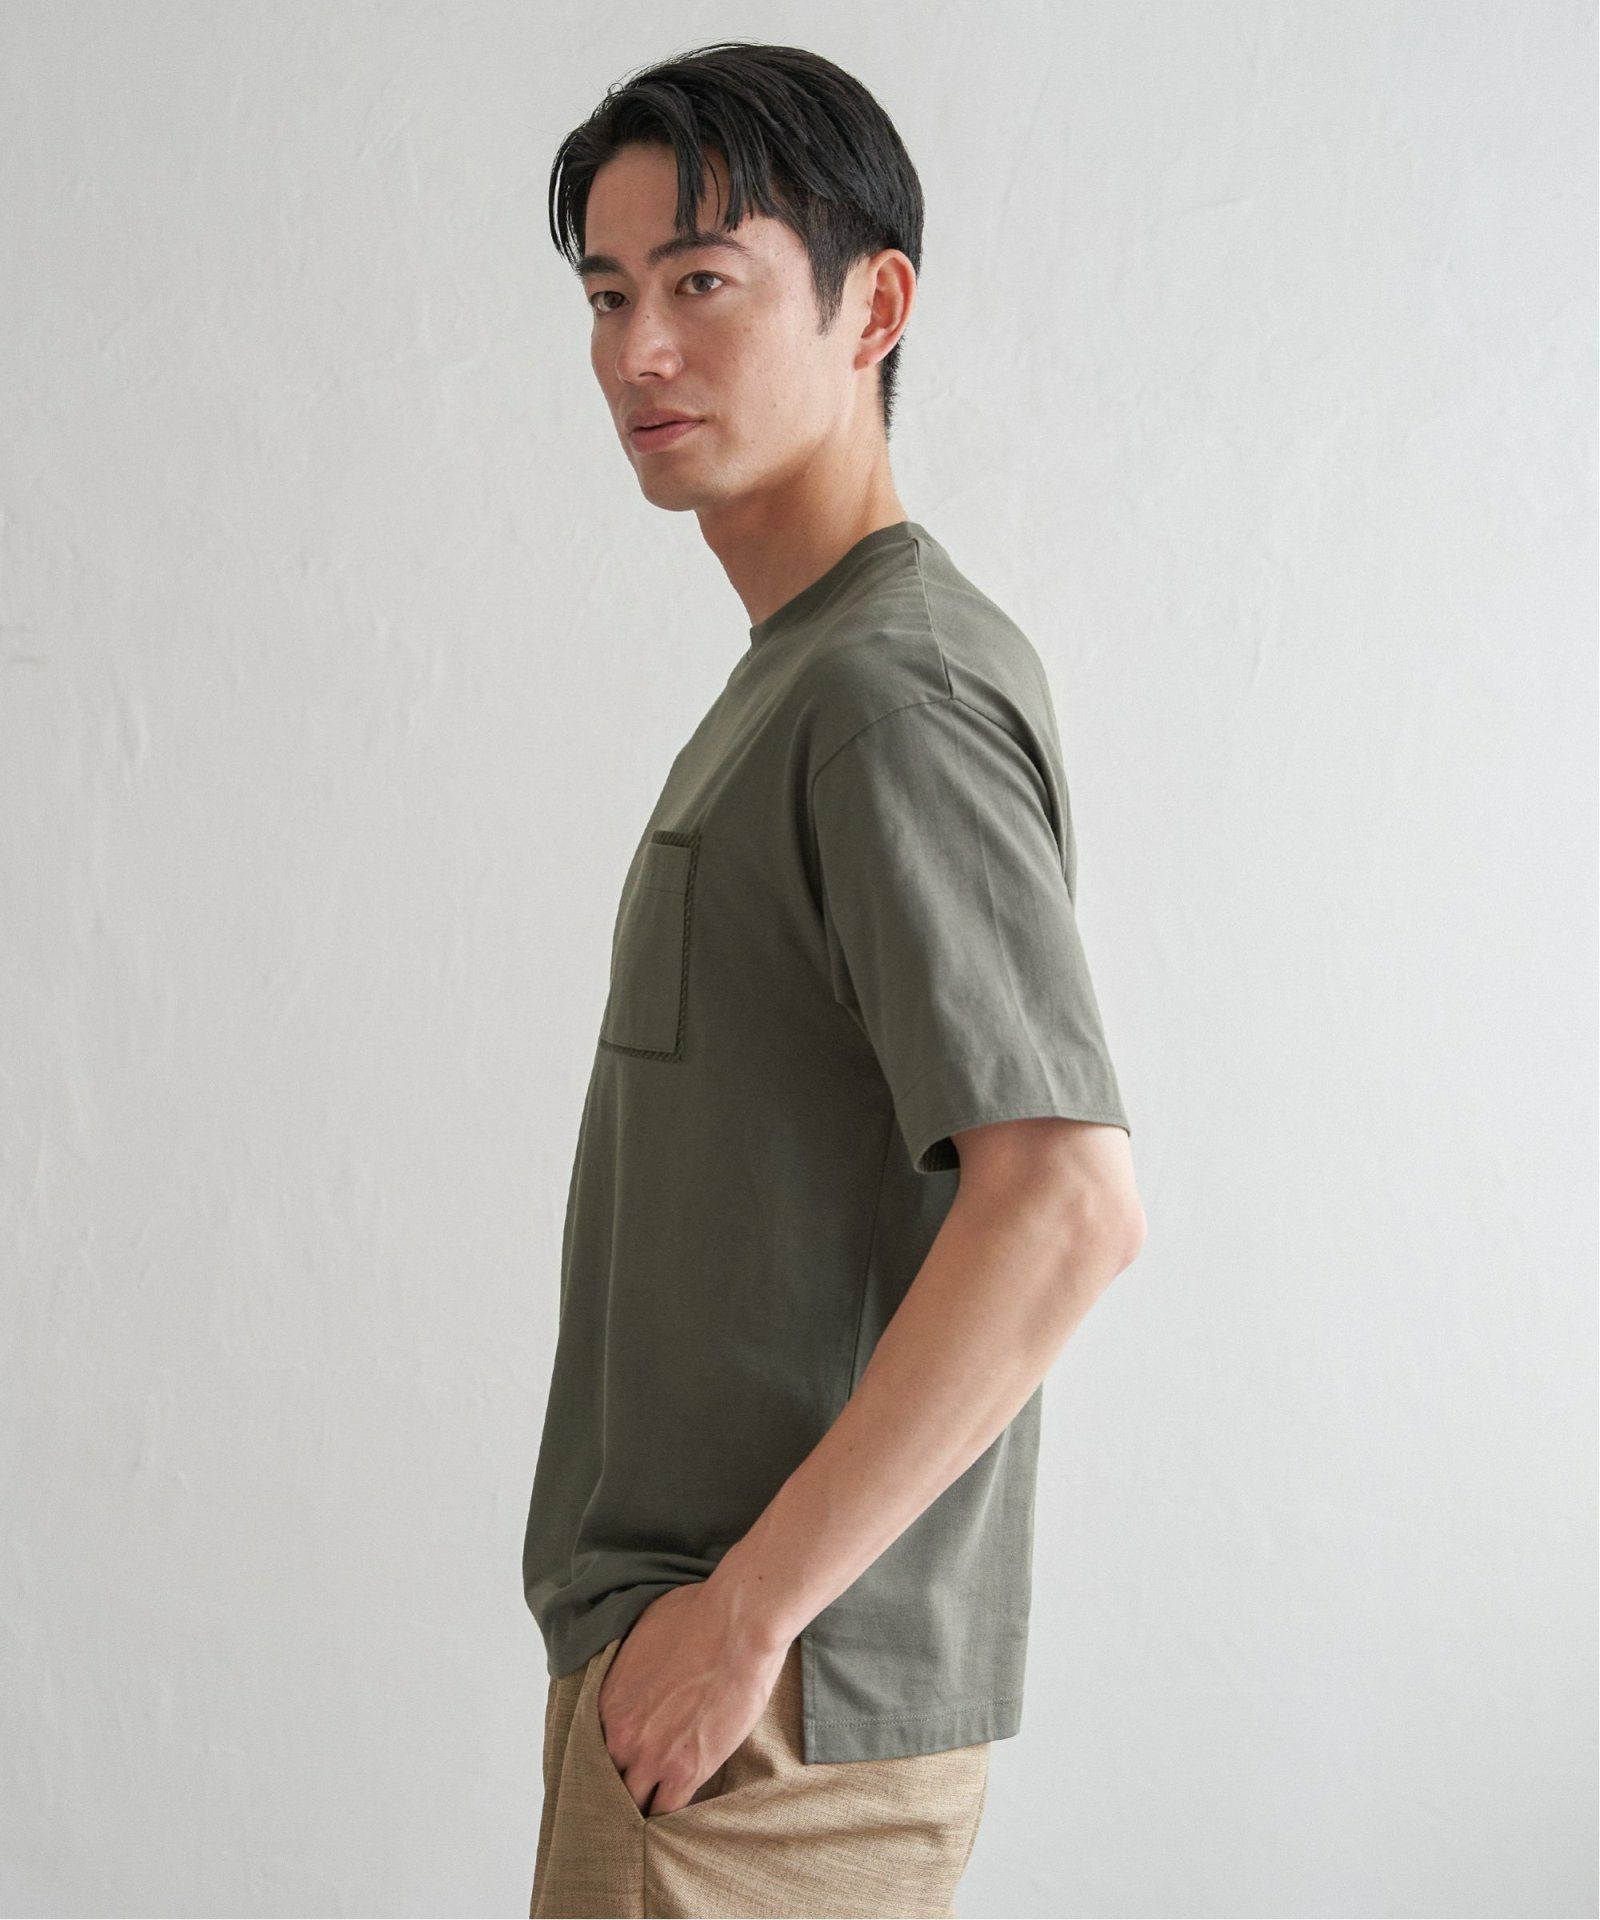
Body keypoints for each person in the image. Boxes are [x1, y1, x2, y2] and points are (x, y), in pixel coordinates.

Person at [523, 40, 1147, 1919]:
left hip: (764, 1726)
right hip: (728, 1700)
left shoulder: (887, 693)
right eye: (607, 296)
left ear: (875, 307)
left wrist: (741, 1624)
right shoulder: (811, 674)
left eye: (702, 282)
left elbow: (1065, 1206)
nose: (641, 351)